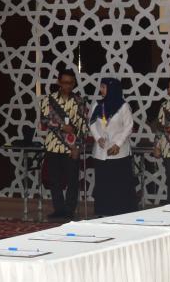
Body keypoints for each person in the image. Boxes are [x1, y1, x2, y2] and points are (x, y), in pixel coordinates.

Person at [39, 69, 88, 219]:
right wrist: (61, 127)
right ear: (58, 82)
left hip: (71, 148)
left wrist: (77, 147)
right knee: (55, 181)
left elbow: (83, 127)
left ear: (74, 83)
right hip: (53, 146)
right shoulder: (49, 100)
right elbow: (44, 120)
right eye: (65, 82)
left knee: (72, 181)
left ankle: (69, 211)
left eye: (71, 83)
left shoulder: (79, 101)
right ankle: (59, 210)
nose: (67, 85)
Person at [88, 77, 138, 216]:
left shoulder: (123, 106)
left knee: (119, 185)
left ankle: (122, 213)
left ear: (112, 89)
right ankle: (103, 212)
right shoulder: (97, 105)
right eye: (101, 87)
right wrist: (97, 138)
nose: (101, 90)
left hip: (119, 152)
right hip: (101, 152)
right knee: (103, 184)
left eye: (104, 87)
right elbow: (91, 123)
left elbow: (129, 126)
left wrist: (118, 144)